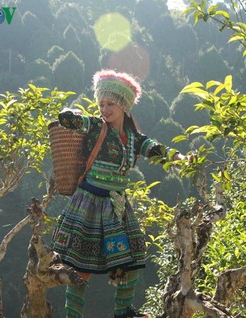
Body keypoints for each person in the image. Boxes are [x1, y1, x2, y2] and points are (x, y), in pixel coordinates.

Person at [51, 69, 192, 318]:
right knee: (80, 269)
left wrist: (181, 158)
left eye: (110, 103)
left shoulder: (133, 139)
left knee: (130, 261)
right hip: (90, 203)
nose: (104, 109)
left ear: (124, 105)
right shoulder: (95, 126)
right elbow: (69, 120)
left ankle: (124, 313)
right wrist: (71, 113)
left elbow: (156, 149)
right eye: (101, 103)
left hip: (116, 206)